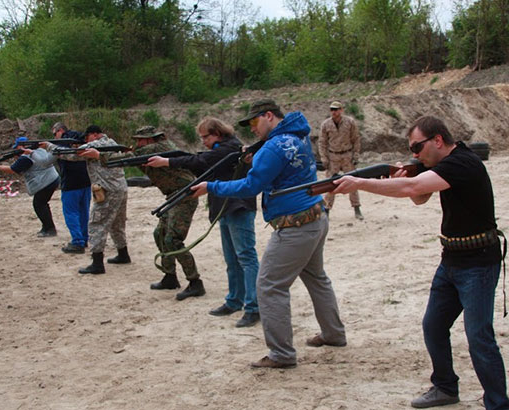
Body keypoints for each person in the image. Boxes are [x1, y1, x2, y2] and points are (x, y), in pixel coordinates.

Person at [332, 116, 508, 410]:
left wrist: (360, 182)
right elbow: (420, 197)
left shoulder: (462, 163)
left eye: (417, 147)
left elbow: (411, 190)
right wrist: (405, 176)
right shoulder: (442, 164)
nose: (414, 154)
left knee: (479, 336)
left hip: (477, 262)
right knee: (434, 325)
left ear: (438, 140)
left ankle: (498, 403)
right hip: (452, 258)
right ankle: (445, 387)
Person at [191, 99, 346, 368]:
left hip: (295, 224)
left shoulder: (272, 147)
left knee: (269, 286)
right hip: (315, 217)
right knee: (317, 278)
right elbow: (283, 172)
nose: (252, 128)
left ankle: (282, 354)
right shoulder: (297, 136)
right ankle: (333, 333)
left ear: (269, 116)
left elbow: (251, 186)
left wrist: (212, 186)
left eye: (254, 121)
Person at [146, 117, 260, 327]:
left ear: (217, 133)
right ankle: (235, 300)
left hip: (238, 207)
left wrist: (166, 161)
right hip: (226, 207)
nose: (203, 141)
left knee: (245, 257)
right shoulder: (225, 148)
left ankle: (253, 307)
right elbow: (199, 162)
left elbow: (199, 161)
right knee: (232, 259)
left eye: (205, 137)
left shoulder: (229, 148)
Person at [107, 126, 204, 300]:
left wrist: (99, 155)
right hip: (174, 196)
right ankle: (170, 276)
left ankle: (195, 282)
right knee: (159, 233)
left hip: (185, 195)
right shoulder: (151, 150)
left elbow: (131, 156)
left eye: (140, 140)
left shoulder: (161, 146)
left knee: (173, 240)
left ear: (151, 139)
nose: (138, 144)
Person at [48, 125, 130, 274]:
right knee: (117, 223)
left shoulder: (94, 145)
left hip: (107, 190)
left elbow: (70, 155)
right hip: (121, 187)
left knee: (96, 224)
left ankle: (97, 263)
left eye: (87, 138)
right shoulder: (112, 142)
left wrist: (48, 146)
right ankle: (123, 254)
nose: (85, 141)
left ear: (93, 135)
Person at [0, 136, 60, 237]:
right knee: (42, 204)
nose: (16, 149)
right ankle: (47, 227)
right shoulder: (39, 150)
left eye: (17, 147)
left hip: (45, 181)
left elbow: (13, 169)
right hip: (52, 178)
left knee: (39, 204)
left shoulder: (27, 156)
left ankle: (50, 229)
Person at [51, 122, 92, 254]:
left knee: (71, 213)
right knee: (84, 212)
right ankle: (84, 239)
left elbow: (53, 155)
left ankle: (77, 241)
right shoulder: (80, 139)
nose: (54, 137)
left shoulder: (62, 143)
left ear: (60, 130)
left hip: (71, 183)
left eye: (54, 133)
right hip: (86, 181)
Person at [319, 101, 363, 220]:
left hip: (347, 155)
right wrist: (324, 158)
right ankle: (327, 210)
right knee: (330, 184)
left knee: (353, 183)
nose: (334, 112)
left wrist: (356, 155)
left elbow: (356, 139)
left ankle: (356, 208)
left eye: (336, 109)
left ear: (341, 110)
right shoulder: (326, 124)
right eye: (332, 109)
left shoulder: (350, 122)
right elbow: (322, 142)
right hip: (333, 157)